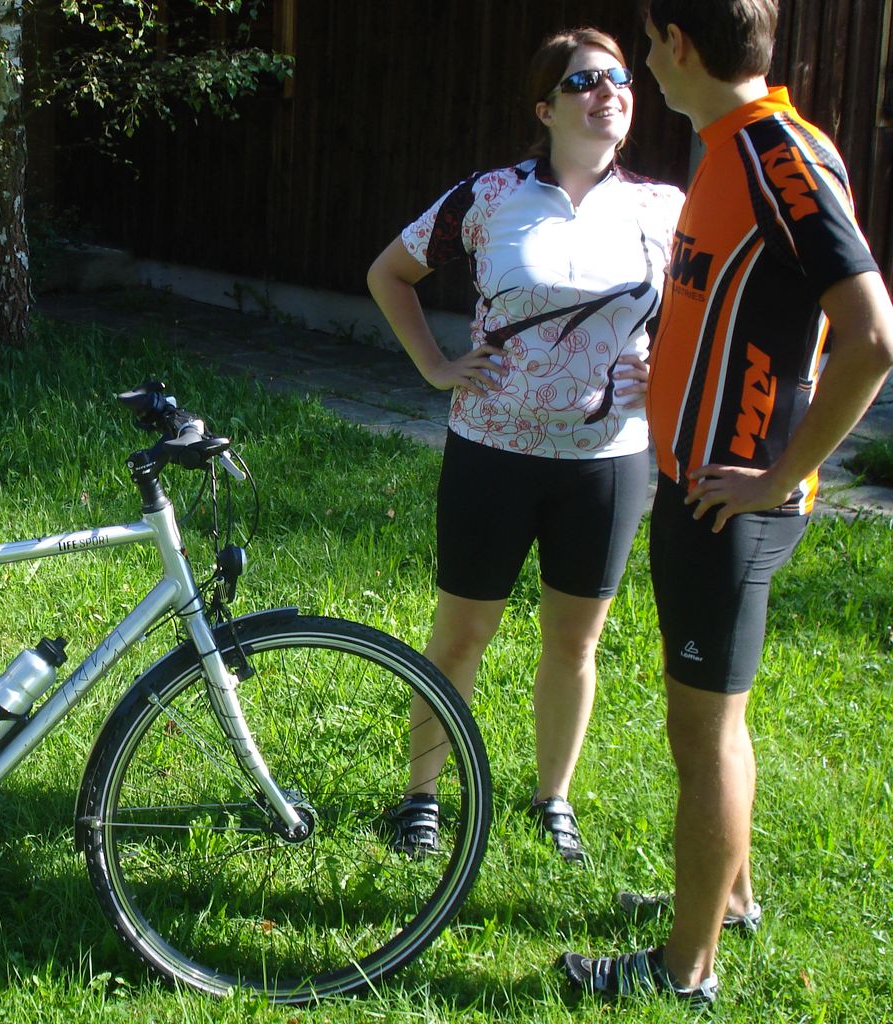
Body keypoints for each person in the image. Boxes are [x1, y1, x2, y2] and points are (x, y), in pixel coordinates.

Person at [560, 0, 893, 1008]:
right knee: (712, 722)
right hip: (700, 489)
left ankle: (684, 969)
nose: (644, 64)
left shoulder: (776, 156)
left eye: (649, 44)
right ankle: (729, 900)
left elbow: (872, 335)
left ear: (680, 46)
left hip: (727, 505)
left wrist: (778, 473)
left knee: (703, 737)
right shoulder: (732, 146)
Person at [367, 28, 683, 864]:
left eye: (619, 77)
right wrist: (436, 366)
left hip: (607, 461)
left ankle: (554, 800)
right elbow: (388, 273)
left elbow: (705, 313)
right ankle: (421, 798)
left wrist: (670, 368)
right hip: (493, 452)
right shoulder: (491, 195)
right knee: (462, 633)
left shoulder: (664, 209)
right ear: (545, 109)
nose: (608, 92)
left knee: (575, 643)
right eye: (584, 81)